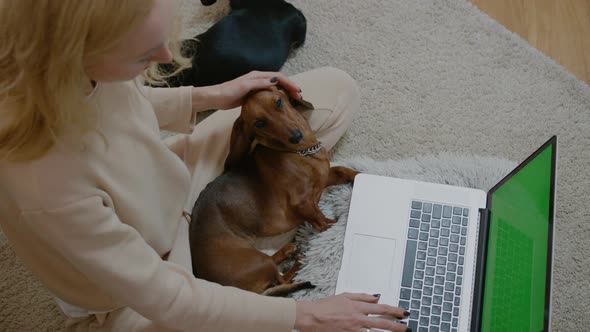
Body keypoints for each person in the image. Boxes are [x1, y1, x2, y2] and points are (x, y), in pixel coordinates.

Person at [0, 1, 411, 331]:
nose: (165, 56)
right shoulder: (45, 184)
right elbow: (169, 298)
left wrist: (215, 96)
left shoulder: (71, 69)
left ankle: (243, 236)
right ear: (77, 51)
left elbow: (125, 105)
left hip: (173, 180)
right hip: (141, 284)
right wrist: (305, 315)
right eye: (144, 54)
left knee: (337, 89)